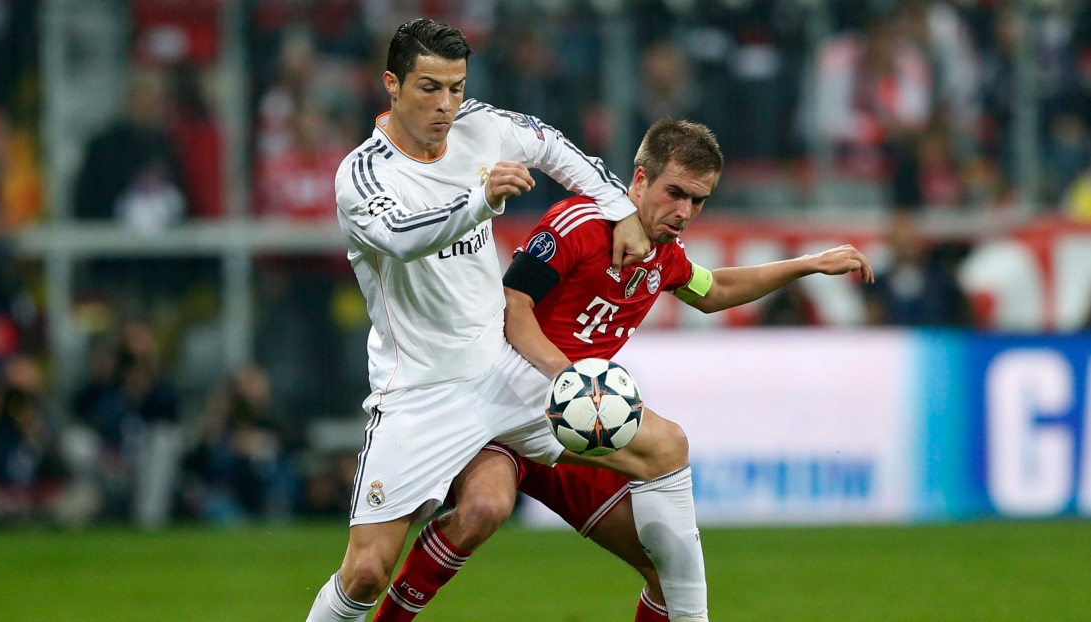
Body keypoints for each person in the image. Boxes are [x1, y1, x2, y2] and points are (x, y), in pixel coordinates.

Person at [374, 120, 873, 622]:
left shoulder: (665, 254)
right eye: (674, 192)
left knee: (664, 571)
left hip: (574, 425)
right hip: (505, 403)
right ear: (639, 180)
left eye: (697, 201)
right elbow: (514, 306)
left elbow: (714, 291)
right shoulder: (578, 223)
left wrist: (806, 263)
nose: (684, 211)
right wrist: (569, 377)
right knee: (483, 509)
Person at [305, 18, 656, 622]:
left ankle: (684, 593)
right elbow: (399, 236)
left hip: (501, 367)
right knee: (364, 571)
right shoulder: (362, 174)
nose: (445, 105)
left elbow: (555, 149)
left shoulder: (481, 127)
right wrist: (480, 200)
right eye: (428, 88)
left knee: (660, 450)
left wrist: (619, 207)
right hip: (419, 390)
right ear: (391, 84)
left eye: (455, 87)